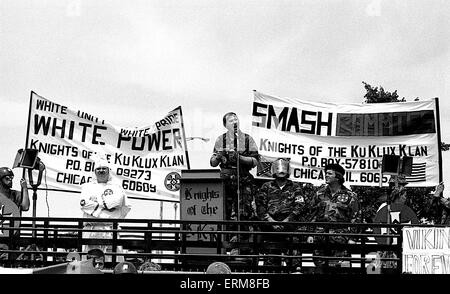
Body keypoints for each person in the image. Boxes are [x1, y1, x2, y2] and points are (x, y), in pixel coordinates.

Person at [210, 112, 259, 258]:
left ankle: (242, 248)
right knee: (225, 214)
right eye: (230, 120)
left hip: (243, 179)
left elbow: (255, 161)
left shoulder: (247, 139)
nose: (234, 122)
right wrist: (219, 156)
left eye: (236, 119)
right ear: (225, 124)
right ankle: (226, 247)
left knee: (243, 213)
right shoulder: (220, 139)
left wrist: (240, 158)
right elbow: (212, 163)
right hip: (225, 181)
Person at [256, 158, 308, 267]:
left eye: (284, 168)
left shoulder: (295, 187)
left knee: (294, 263)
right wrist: (271, 221)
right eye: (279, 168)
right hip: (271, 230)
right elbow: (260, 206)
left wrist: (287, 220)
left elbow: (300, 205)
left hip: (291, 229)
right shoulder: (267, 186)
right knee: (271, 263)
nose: (281, 171)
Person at [308, 163, 359, 273]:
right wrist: (311, 234)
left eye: (329, 173)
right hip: (320, 239)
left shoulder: (350, 196)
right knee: (320, 270)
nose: (326, 175)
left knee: (338, 270)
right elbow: (312, 214)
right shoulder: (319, 194)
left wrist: (352, 238)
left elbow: (356, 217)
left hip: (340, 240)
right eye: (326, 173)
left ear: (338, 177)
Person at [80, 156, 131, 262]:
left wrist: (96, 201)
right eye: (98, 169)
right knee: (90, 261)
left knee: (112, 260)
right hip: (91, 231)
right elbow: (84, 204)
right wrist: (107, 205)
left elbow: (119, 201)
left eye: (104, 168)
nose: (101, 171)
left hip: (110, 230)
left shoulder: (116, 186)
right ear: (94, 172)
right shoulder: (87, 187)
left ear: (108, 170)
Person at [0, 167, 30, 260]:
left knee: (10, 264)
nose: (10, 180)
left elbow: (25, 207)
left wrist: (25, 188)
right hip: (1, 237)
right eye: (7, 178)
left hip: (13, 237)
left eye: (11, 178)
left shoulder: (16, 194)